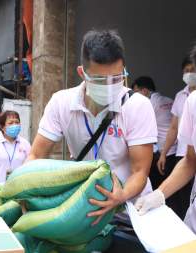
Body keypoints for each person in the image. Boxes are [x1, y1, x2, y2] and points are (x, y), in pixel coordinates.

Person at [28, 29, 158, 225]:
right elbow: (36, 156)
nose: (108, 86)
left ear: (124, 70)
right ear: (82, 73)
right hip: (84, 206)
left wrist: (120, 195)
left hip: (130, 211)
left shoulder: (137, 106)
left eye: (116, 78)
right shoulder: (61, 103)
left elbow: (140, 171)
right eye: (99, 80)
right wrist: (24, 189)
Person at [132, 76, 188, 217]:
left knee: (160, 192)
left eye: (136, 92)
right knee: (177, 194)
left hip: (162, 153)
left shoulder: (147, 104)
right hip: (177, 151)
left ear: (144, 91)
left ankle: (164, 219)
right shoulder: (169, 100)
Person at [156, 57, 196, 218]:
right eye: (186, 70)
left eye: (192, 69)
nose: (190, 73)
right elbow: (190, 160)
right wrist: (158, 195)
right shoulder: (187, 99)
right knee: (183, 198)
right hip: (183, 154)